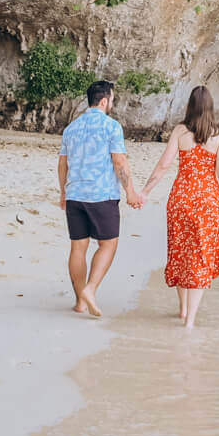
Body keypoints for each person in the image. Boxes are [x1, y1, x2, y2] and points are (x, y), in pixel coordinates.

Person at [139, 86, 219, 329]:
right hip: (206, 201)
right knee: (199, 258)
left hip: (180, 199)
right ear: (210, 107)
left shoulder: (180, 131)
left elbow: (164, 164)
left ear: (190, 105)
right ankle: (190, 321)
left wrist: (145, 192)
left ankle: (183, 310)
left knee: (181, 252)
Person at [58, 80, 144, 317]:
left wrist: (63, 192)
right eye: (112, 99)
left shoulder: (71, 129)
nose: (112, 103)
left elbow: (62, 163)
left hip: (75, 195)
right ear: (104, 101)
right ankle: (91, 289)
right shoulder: (111, 126)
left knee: (78, 247)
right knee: (108, 244)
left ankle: (80, 303)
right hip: (102, 195)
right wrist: (130, 193)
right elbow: (119, 161)